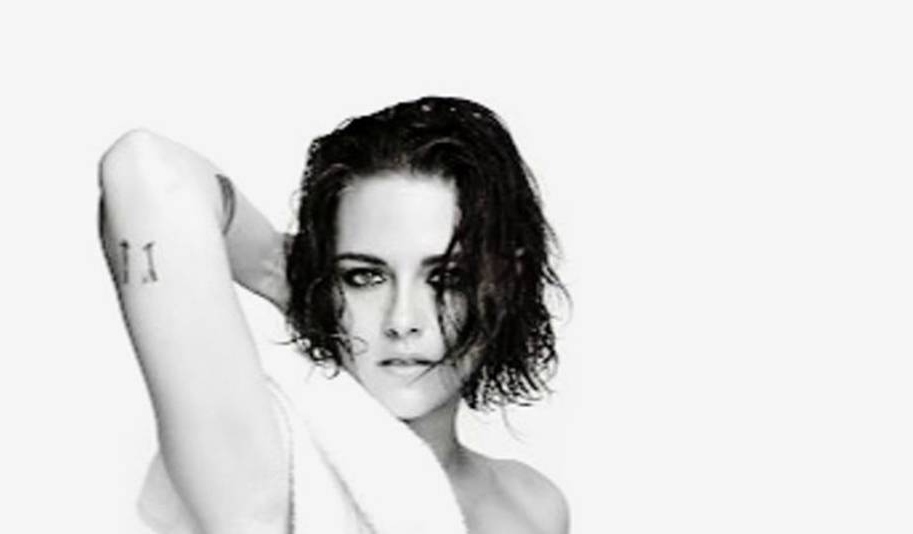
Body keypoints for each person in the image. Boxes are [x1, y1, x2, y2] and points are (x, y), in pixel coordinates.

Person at [99, 96, 569, 534]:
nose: (402, 320)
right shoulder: (266, 470)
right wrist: (277, 272)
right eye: (364, 276)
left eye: (447, 278)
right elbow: (146, 169)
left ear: (507, 281)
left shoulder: (534, 505)